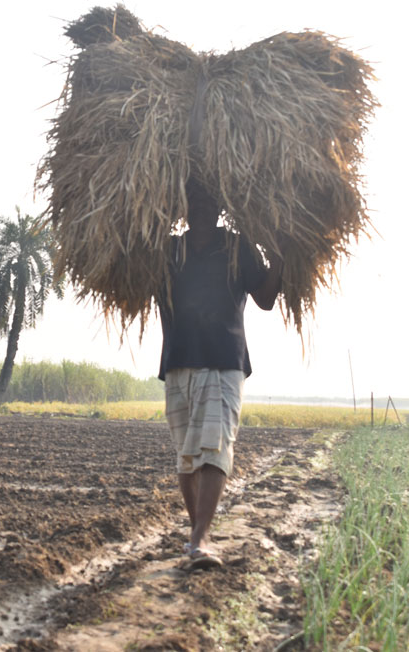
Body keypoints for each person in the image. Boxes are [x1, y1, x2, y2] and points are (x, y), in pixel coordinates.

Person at [158, 180, 283, 569]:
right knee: (187, 458)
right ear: (183, 209)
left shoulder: (236, 246)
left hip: (223, 360)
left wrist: (279, 254)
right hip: (178, 359)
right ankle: (198, 540)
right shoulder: (168, 250)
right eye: (194, 202)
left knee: (214, 448)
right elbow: (130, 281)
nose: (200, 210)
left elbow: (264, 300)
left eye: (208, 203)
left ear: (219, 209)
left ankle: (199, 538)